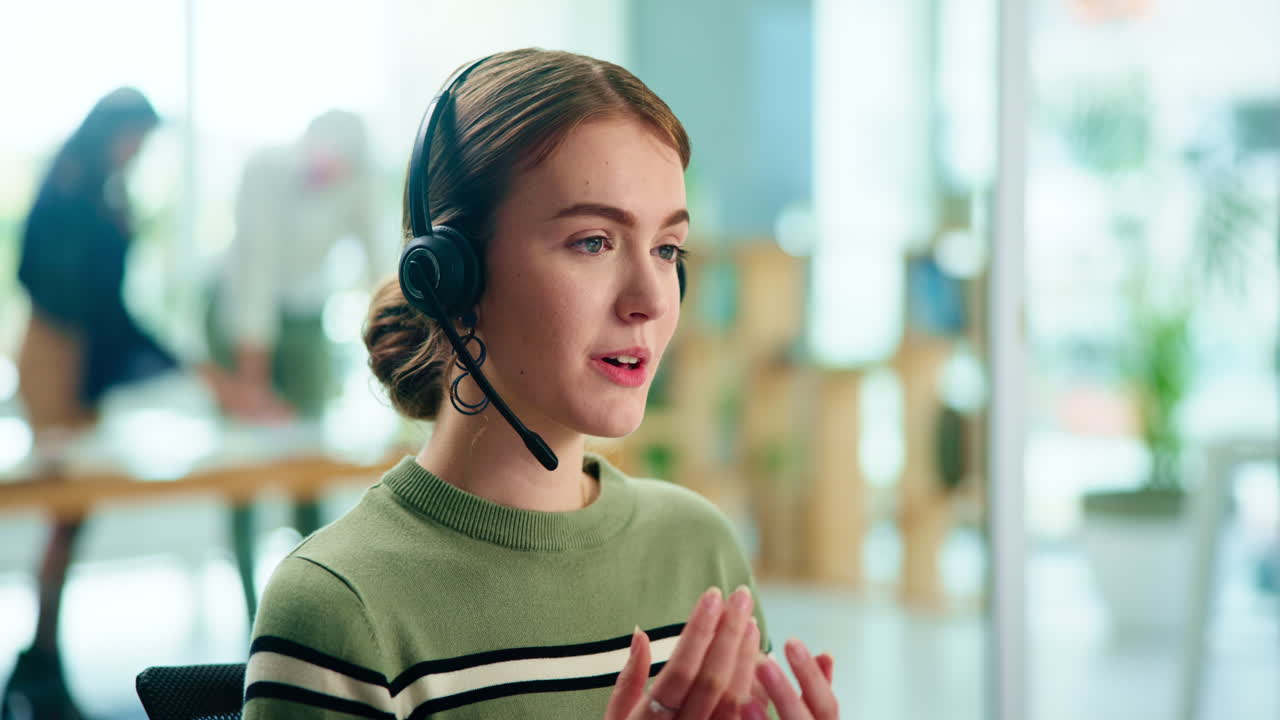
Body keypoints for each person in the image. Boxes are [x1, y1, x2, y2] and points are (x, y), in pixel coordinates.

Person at [242, 49, 839, 720]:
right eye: (593, 242)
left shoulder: (700, 551)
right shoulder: (340, 606)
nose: (649, 298)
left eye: (668, 250)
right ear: (451, 278)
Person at [1, 87, 252, 720]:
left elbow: (110, 303)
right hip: (55, 351)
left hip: (82, 353)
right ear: (113, 129)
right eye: (134, 136)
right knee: (66, 502)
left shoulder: (106, 188)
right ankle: (39, 662)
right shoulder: (71, 182)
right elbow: (59, 284)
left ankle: (40, 656)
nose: (138, 150)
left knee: (73, 509)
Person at [206, 108, 383, 421]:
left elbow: (378, 269)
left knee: (307, 420)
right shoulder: (264, 168)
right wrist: (253, 383)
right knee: (245, 420)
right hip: (236, 305)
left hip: (305, 311)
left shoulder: (361, 185)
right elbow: (255, 275)